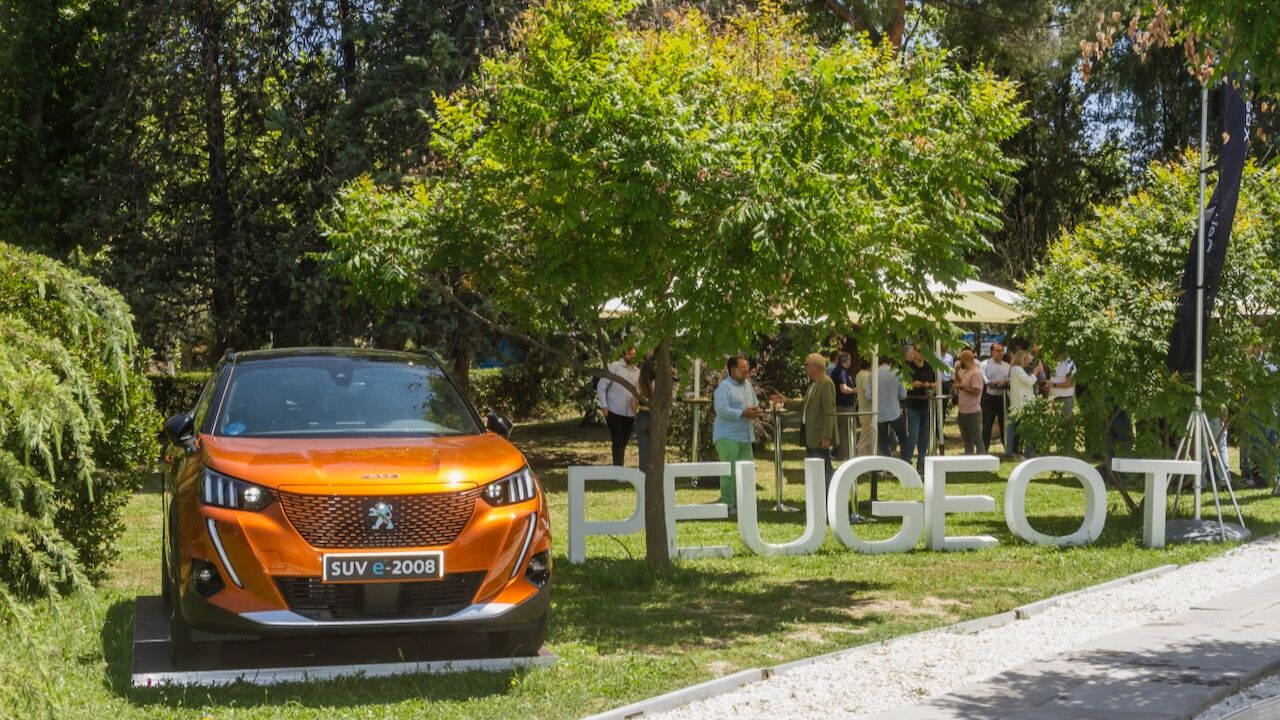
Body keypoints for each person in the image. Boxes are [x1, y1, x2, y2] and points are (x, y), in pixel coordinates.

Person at [773, 353, 837, 486]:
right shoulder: (813, 385)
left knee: (824, 468)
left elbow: (829, 411)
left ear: (814, 367)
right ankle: (818, 494)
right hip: (811, 435)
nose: (805, 368)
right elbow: (803, 405)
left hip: (819, 436)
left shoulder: (826, 383)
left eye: (806, 365)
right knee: (815, 468)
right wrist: (785, 401)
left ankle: (829, 495)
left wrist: (826, 436)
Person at [712, 355, 763, 516]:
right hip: (727, 436)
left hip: (745, 436)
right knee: (729, 472)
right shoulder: (724, 387)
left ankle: (744, 504)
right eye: (743, 367)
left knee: (746, 473)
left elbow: (754, 403)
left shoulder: (747, 385)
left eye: (747, 366)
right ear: (733, 370)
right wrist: (742, 413)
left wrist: (756, 411)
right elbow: (721, 409)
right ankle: (728, 505)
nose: (747, 369)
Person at [597, 345, 640, 466]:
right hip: (614, 410)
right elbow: (601, 385)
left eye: (634, 355)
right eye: (629, 354)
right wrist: (604, 405)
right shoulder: (615, 367)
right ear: (624, 354)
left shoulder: (637, 372)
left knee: (624, 441)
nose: (631, 357)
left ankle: (619, 467)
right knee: (618, 441)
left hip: (630, 413)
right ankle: (618, 469)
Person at [865, 354, 908, 462]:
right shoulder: (898, 373)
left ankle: (887, 462)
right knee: (903, 438)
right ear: (890, 362)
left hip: (879, 412)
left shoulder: (872, 374)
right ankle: (905, 460)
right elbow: (903, 395)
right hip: (894, 410)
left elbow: (868, 395)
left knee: (883, 440)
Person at [903, 345, 937, 472]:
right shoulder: (909, 367)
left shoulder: (928, 367)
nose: (921, 354)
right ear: (915, 353)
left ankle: (921, 461)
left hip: (925, 405)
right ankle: (907, 460)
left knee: (924, 435)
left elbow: (936, 383)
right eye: (919, 351)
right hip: (912, 405)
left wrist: (929, 385)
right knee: (913, 434)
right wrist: (913, 384)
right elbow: (903, 384)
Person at [1008, 350, 1039, 458]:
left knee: (1020, 430)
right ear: (1023, 359)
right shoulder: (1017, 369)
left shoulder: (1016, 369)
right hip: (1021, 404)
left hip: (1021, 404)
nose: (1028, 362)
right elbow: (1029, 382)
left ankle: (1019, 452)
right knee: (1020, 430)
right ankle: (1017, 453)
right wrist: (1035, 373)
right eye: (1027, 359)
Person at [981, 343, 1010, 455]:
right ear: (992, 352)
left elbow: (1010, 379)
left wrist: (1004, 382)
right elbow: (985, 379)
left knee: (1004, 424)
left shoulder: (1007, 365)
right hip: (990, 397)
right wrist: (994, 384)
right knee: (987, 424)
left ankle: (1007, 448)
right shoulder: (985, 364)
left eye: (1002, 351)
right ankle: (984, 450)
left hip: (1003, 397)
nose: (1000, 353)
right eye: (997, 351)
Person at [955, 349, 986, 454]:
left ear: (966, 359)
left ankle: (982, 459)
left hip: (972, 412)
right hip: (962, 411)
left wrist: (962, 387)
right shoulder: (966, 372)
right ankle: (968, 459)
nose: (960, 362)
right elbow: (959, 383)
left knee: (977, 439)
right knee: (967, 440)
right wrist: (956, 372)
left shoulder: (976, 373)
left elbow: (977, 391)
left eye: (961, 360)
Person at [631, 356, 657, 479]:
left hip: (642, 414)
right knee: (654, 448)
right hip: (654, 417)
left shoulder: (639, 383)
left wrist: (636, 416)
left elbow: (633, 403)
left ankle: (643, 476)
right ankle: (654, 475)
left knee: (643, 450)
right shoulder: (656, 383)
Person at [831, 352, 858, 460]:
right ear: (845, 360)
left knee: (842, 431)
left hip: (841, 405)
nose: (851, 361)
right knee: (845, 431)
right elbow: (844, 389)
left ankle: (841, 453)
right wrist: (857, 390)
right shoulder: (841, 371)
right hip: (844, 407)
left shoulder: (838, 370)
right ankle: (844, 454)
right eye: (850, 359)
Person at [854, 355, 875, 457]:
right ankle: (861, 457)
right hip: (868, 410)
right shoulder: (867, 376)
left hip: (862, 409)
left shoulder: (859, 374)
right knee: (865, 437)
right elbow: (867, 392)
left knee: (867, 436)